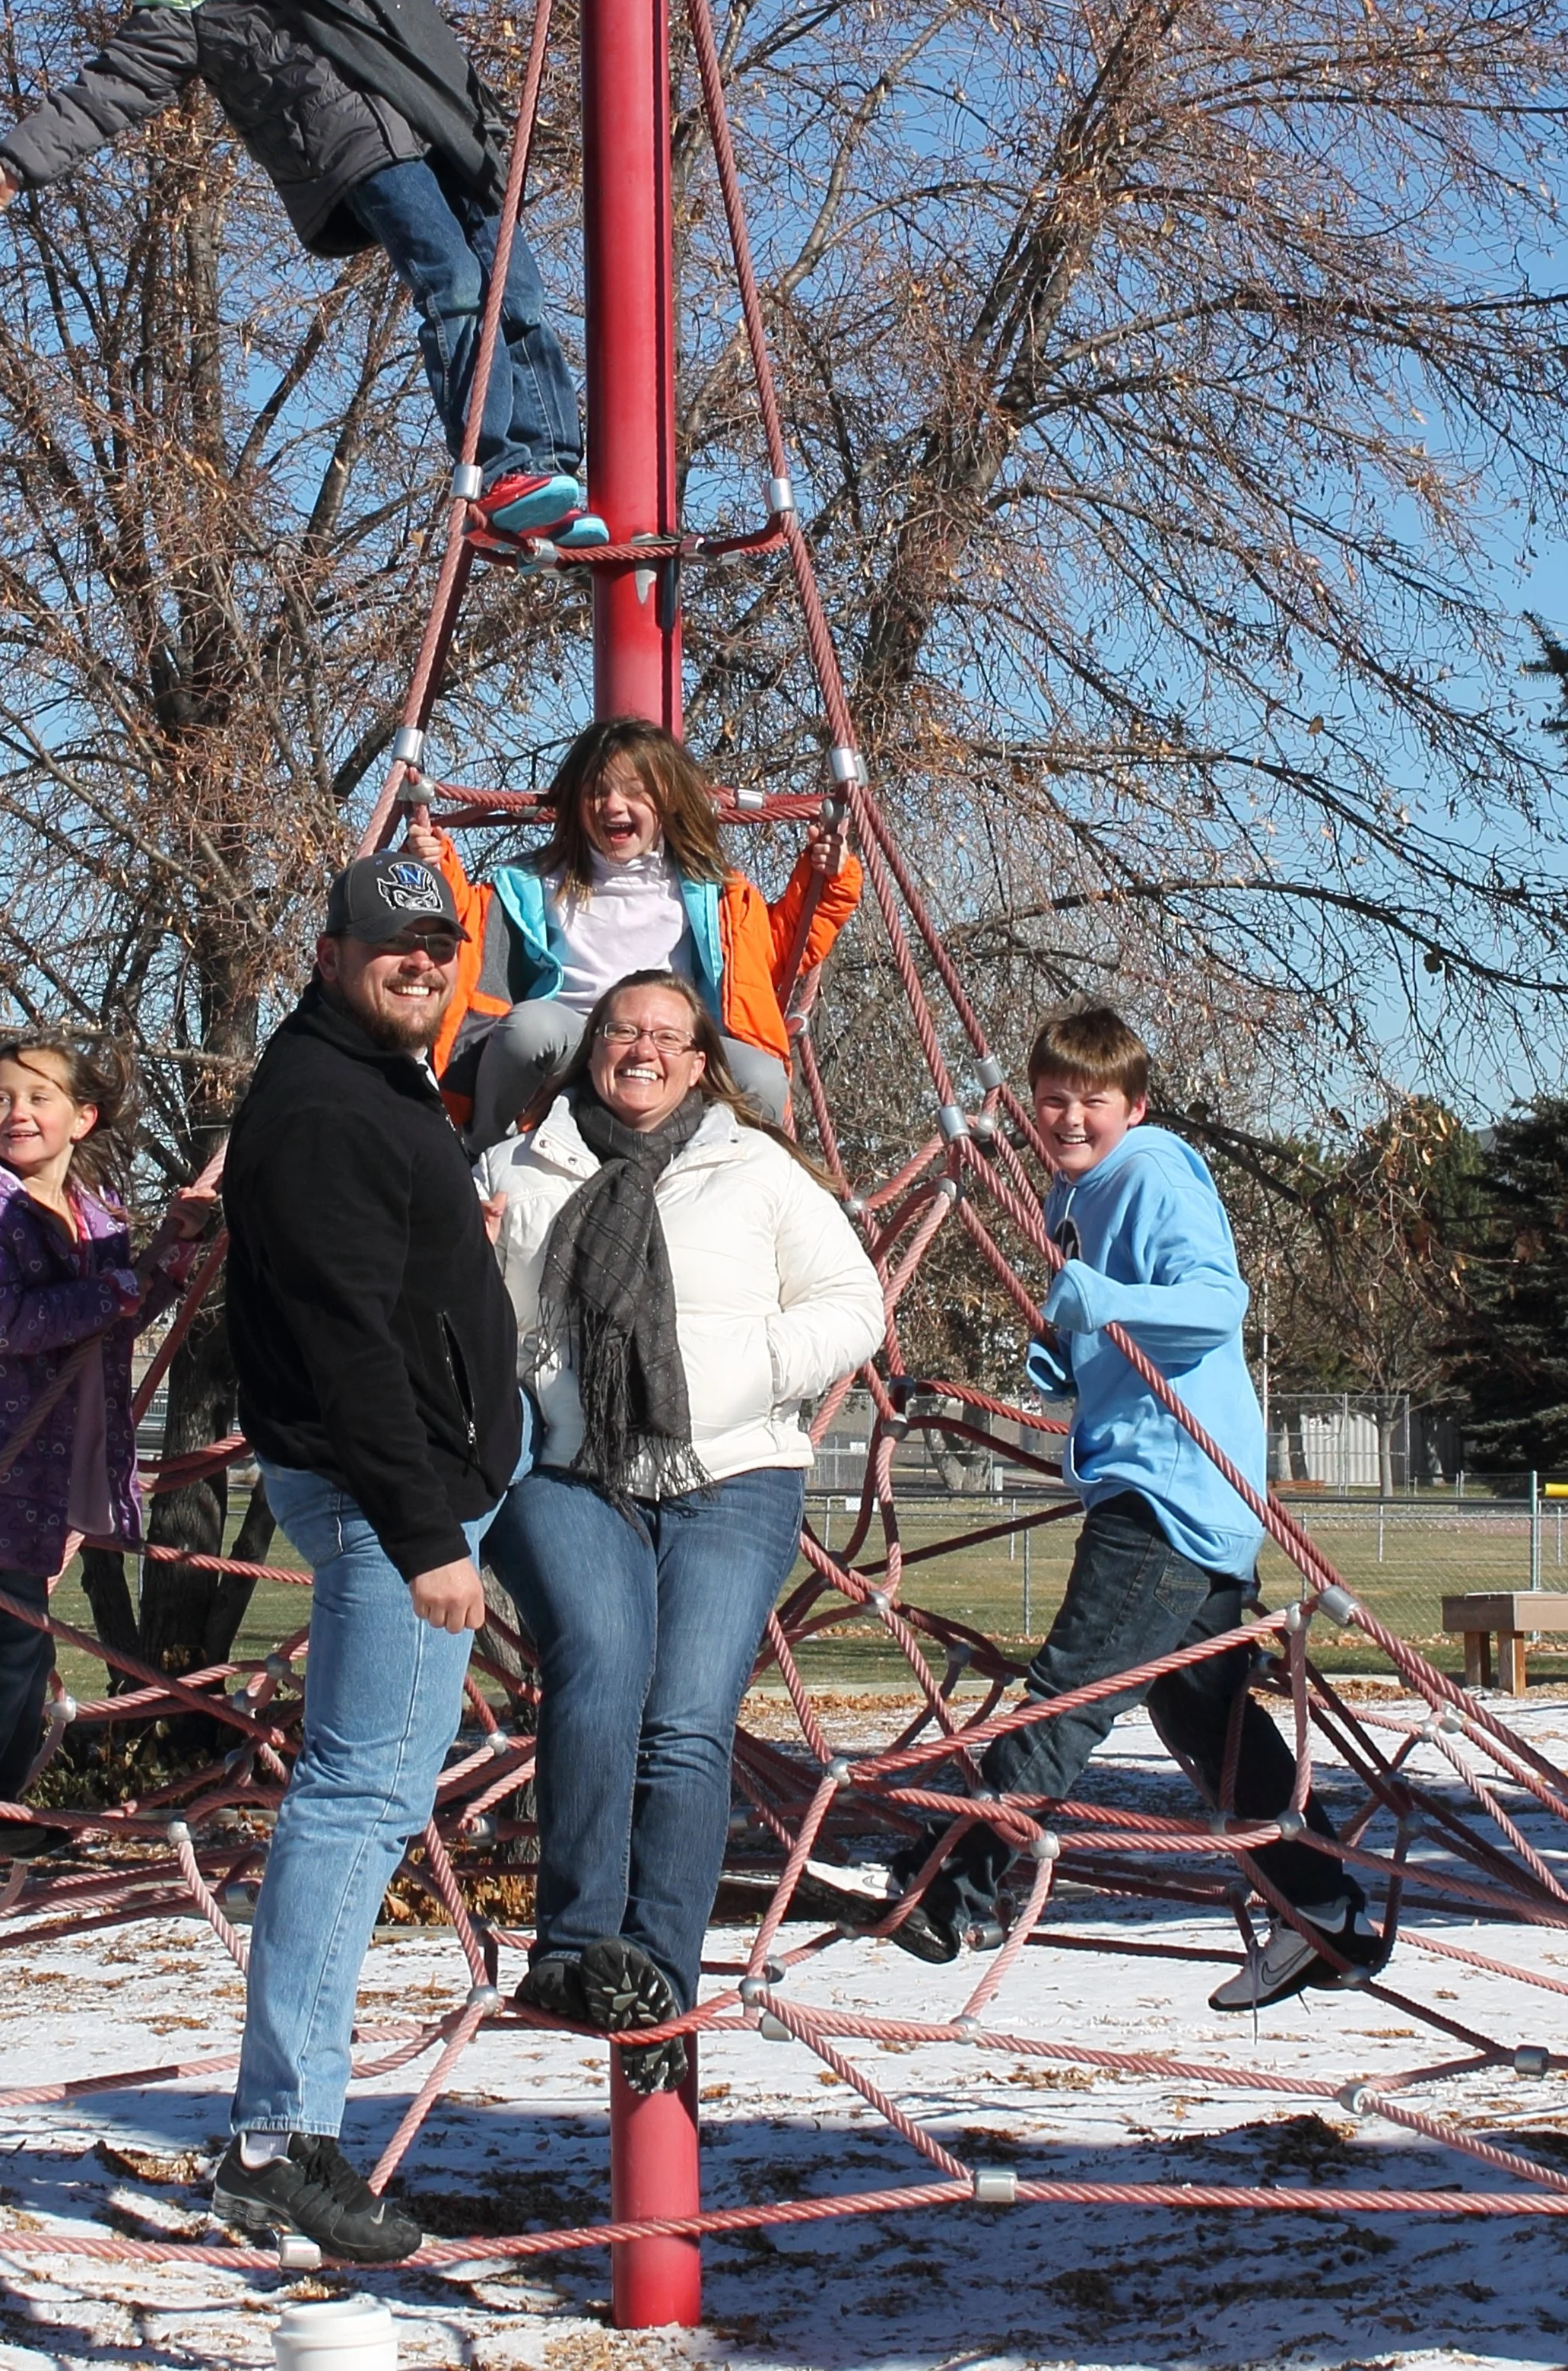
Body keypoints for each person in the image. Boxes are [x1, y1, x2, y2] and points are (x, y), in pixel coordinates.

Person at [866, 1003, 1389, 2010]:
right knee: (1210, 1721)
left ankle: (955, 1886)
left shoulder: (1146, 1166)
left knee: (1069, 1693)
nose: (1068, 1118)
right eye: (1052, 1098)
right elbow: (1126, 1317)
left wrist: (1102, 1302)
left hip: (1166, 1491)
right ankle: (1321, 1912)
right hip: (1191, 1496)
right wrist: (1072, 1350)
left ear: (1133, 1105)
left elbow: (1215, 1304)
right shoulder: (1080, 1192)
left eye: (1091, 1101)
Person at [0, 0, 606, 555]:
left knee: (517, 286)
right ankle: (501, 470)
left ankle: (551, 472)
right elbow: (119, 81)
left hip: (436, 110)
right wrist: (17, 164)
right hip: (345, 143)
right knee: (456, 283)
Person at [478, 969, 885, 2087]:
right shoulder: (521, 1166)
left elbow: (855, 1304)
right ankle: (571, 1945)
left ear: (704, 1060)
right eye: (621, 1030)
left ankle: (655, 1974)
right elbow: (475, 1328)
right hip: (575, 1465)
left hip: (732, 1469)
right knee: (601, 1661)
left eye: (668, 1034)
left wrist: (745, 1372)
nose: (643, 1049)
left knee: (690, 1718)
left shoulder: (755, 1169)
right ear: (587, 1046)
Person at [212, 850, 524, 2258]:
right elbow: (345, 1339)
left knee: (372, 1795)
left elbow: (374, 1280)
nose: (421, 962)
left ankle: (286, 2131)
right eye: (393, 943)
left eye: (439, 945)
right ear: (329, 952)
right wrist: (418, 1538)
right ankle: (280, 2139)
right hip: (384, 1496)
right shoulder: (332, 1104)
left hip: (420, 1479)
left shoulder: (366, 1077)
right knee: (355, 1801)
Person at [0, 1035, 205, 1863]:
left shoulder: (91, 1210)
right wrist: (123, 1285)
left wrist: (171, 1251)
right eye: (0, 1099)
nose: (15, 1112)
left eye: (38, 1097)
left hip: (37, 1460)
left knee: (19, 1635)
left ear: (82, 1117)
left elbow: (110, 1308)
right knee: (6, 1636)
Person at [408, 715, 863, 1149]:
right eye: (596, 792)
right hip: (578, 1043)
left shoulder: (712, 892)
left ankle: (735, 1181)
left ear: (667, 800)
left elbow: (775, 959)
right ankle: (481, 1148)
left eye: (633, 792)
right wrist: (436, 863)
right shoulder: (535, 881)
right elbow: (467, 930)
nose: (612, 806)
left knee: (762, 1077)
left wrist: (828, 879)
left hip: (673, 1043)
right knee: (530, 1029)